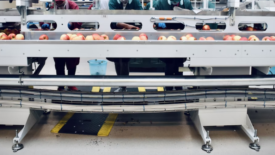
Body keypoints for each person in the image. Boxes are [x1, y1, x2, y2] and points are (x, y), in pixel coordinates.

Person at [145, 0, 192, 91]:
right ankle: (168, 87)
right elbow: (152, 20)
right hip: (165, 36)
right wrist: (158, 23)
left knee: (179, 62)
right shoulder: (160, 3)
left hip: (181, 37)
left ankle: (179, 87)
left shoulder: (186, 3)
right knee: (169, 62)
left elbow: (193, 19)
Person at [44, 0, 82, 91]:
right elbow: (46, 18)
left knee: (72, 61)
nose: (59, 5)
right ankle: (61, 85)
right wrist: (45, 24)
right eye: (57, 4)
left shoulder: (73, 6)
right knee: (59, 62)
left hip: (71, 36)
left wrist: (72, 24)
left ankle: (71, 83)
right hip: (57, 37)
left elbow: (79, 20)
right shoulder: (52, 6)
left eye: (61, 4)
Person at [107, 0, 143, 92]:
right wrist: (127, 25)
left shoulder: (135, 2)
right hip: (116, 33)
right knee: (116, 58)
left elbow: (142, 16)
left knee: (124, 58)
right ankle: (121, 83)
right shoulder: (113, 2)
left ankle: (123, 86)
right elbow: (113, 20)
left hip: (130, 34)